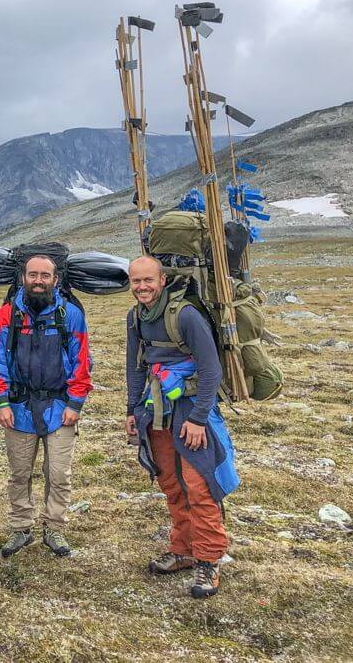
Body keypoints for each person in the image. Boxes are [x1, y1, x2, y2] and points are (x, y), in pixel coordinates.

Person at [125, 255, 239, 598]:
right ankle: (184, 550)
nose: (142, 287)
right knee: (171, 484)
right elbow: (135, 368)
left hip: (190, 410)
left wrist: (199, 417)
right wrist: (132, 409)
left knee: (199, 486)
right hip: (156, 410)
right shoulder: (135, 318)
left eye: (148, 280)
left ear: (162, 280)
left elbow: (211, 369)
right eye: (136, 282)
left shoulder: (185, 315)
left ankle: (209, 559)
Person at [0, 255, 92, 558]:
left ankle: (54, 528)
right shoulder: (7, 315)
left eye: (45, 275)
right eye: (33, 275)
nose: (38, 281)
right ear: (23, 278)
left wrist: (76, 403)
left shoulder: (70, 315)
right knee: (19, 473)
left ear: (56, 280)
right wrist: (1, 401)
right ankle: (21, 527)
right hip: (18, 408)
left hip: (60, 407)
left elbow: (82, 361)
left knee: (58, 473)